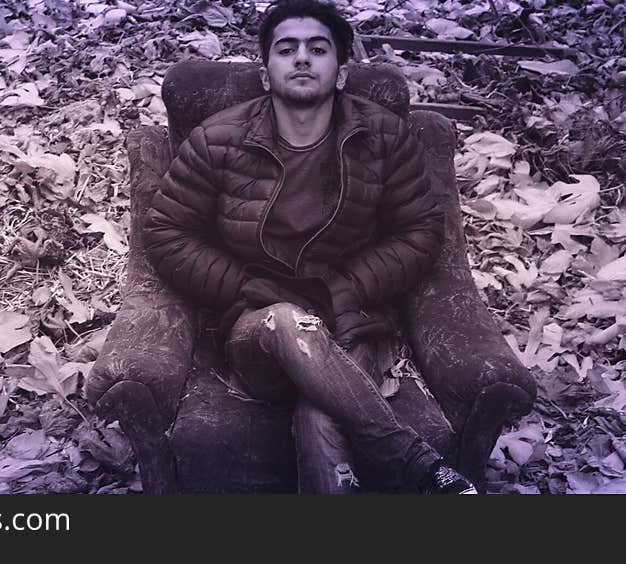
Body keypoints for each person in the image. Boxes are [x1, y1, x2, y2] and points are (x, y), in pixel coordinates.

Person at [143, 0, 477, 494]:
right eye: (287, 49)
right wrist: (247, 286)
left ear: (340, 74)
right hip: (256, 327)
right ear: (265, 72)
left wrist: (349, 288)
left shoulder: (384, 137)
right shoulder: (217, 140)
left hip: (350, 320)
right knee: (285, 319)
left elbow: (420, 231)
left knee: (322, 415)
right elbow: (167, 232)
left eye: (317, 49)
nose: (302, 58)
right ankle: (415, 461)